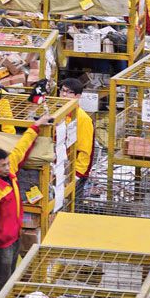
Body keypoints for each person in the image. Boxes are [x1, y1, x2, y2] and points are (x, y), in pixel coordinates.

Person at [0, 111, 53, 298]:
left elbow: (22, 146)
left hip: (14, 235)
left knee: (10, 275)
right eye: (3, 166)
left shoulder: (10, 172)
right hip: (3, 241)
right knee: (2, 278)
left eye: (8, 164)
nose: (8, 167)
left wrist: (38, 125)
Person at [59, 78, 95, 206]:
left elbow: (85, 150)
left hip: (73, 172)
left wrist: (76, 176)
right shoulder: (59, 113)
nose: (64, 95)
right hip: (59, 169)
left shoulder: (83, 119)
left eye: (69, 92)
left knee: (72, 205)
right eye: (62, 91)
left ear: (78, 96)